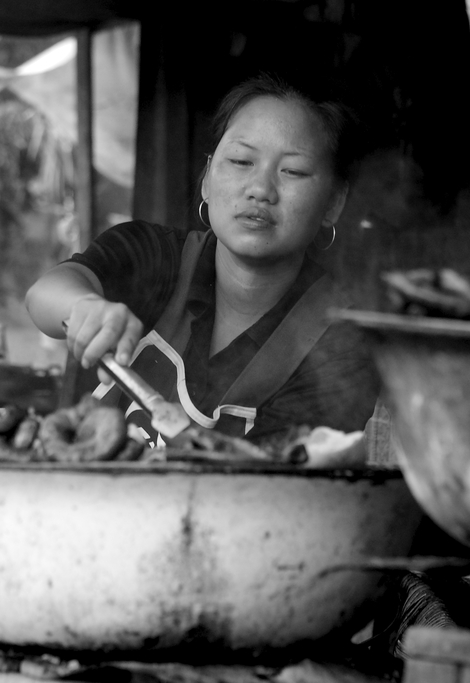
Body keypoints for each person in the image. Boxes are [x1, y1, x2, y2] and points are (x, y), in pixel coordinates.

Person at [26, 72, 380, 447]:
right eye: (242, 161)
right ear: (208, 178)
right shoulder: (152, 254)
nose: (261, 190)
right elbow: (43, 296)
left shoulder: (340, 344)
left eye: (292, 171)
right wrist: (84, 307)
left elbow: (275, 486)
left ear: (334, 202)